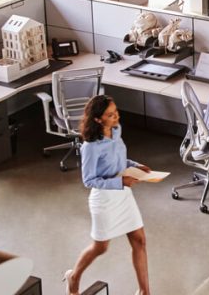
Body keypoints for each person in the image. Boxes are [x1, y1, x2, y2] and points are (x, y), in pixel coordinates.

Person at [64, 95, 151, 295]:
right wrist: (120, 181)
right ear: (97, 119)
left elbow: (118, 160)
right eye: (110, 115)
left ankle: (145, 292)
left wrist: (135, 166)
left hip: (123, 194)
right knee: (101, 247)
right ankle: (74, 277)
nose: (116, 117)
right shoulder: (91, 146)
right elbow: (89, 180)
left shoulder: (116, 130)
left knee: (139, 240)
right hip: (104, 198)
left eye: (116, 112)